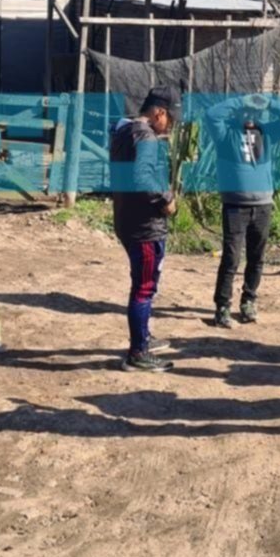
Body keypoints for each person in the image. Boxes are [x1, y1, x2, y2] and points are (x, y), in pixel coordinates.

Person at [206, 92, 280, 328]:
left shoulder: (267, 132)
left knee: (257, 258)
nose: (250, 115)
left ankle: (248, 300)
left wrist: (270, 103)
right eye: (246, 111)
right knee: (231, 258)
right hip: (235, 206)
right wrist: (240, 100)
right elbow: (211, 115)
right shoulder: (226, 133)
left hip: (262, 206)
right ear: (239, 112)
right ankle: (222, 307)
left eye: (255, 111)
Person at [110, 85, 180, 373]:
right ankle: (137, 353)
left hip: (126, 219)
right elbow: (142, 178)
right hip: (144, 226)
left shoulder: (124, 131)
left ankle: (144, 337)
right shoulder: (147, 136)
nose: (170, 128)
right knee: (144, 287)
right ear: (160, 113)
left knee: (143, 284)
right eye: (171, 121)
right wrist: (166, 200)